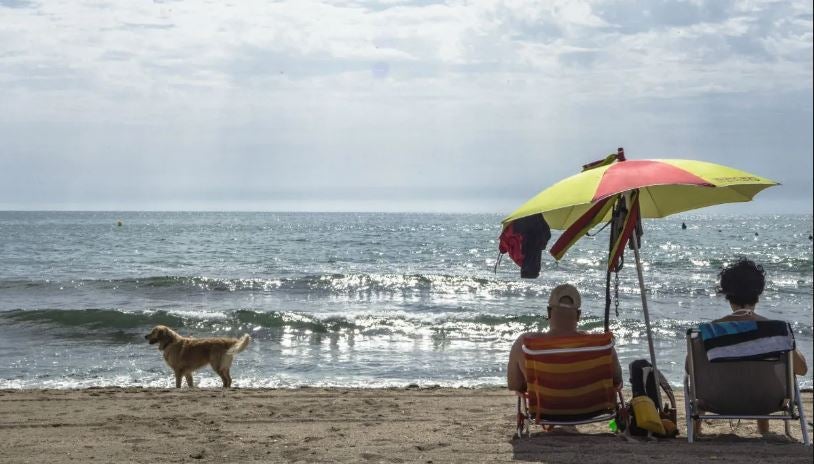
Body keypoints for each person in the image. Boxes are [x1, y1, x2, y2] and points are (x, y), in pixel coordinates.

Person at [693, 258, 808, 436]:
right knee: (761, 374)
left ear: (726, 294)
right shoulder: (776, 331)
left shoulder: (709, 332)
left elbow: (691, 369)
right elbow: (801, 369)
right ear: (758, 293)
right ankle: (764, 432)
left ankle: (696, 432)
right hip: (766, 402)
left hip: (717, 401)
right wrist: (788, 345)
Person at [507, 283, 623, 394]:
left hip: (543, 413)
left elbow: (514, 385)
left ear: (549, 312)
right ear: (578, 315)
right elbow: (617, 380)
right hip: (597, 413)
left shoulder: (524, 343)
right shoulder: (601, 343)